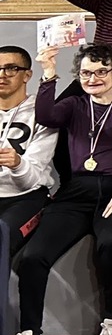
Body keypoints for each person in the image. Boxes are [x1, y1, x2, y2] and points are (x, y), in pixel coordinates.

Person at [8, 44, 112, 335]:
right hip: (76, 192)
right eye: (86, 73)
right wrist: (49, 72)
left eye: (101, 71)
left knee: (110, 245)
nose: (93, 78)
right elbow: (45, 115)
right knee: (33, 256)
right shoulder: (75, 105)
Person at [0, 46, 56, 249]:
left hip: (25, 198)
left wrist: (17, 164)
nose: (2, 75)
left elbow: (29, 182)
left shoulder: (42, 112)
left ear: (27, 75)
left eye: (11, 68)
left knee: (1, 235)